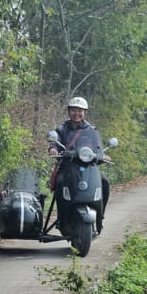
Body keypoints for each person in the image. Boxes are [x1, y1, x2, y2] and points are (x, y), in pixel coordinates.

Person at [48, 96, 110, 234]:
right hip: (67, 167)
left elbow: (98, 147)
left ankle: (100, 216)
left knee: (104, 183)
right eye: (74, 110)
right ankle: (62, 217)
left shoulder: (91, 130)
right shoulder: (62, 128)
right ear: (69, 111)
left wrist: (102, 155)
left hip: (89, 168)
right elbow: (54, 142)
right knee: (60, 182)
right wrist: (53, 149)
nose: (77, 113)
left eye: (80, 111)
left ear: (85, 113)